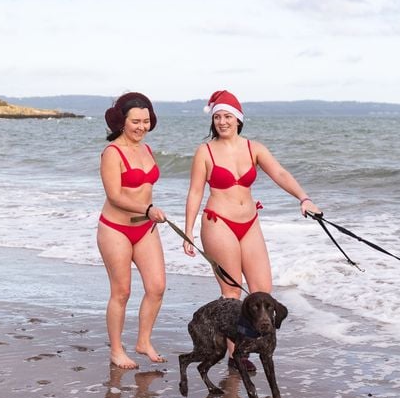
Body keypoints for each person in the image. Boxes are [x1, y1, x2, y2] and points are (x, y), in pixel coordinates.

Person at [183, 90, 320, 368]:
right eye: (218, 117)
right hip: (218, 221)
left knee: (262, 291)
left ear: (238, 119)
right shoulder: (205, 152)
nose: (222, 122)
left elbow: (280, 173)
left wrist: (304, 198)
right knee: (232, 293)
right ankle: (237, 354)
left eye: (228, 116)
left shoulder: (253, 148)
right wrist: (188, 231)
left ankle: (255, 346)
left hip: (249, 222)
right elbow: (195, 192)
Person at [97, 92, 168, 369]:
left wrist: (149, 213)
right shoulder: (112, 152)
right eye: (136, 121)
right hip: (116, 229)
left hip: (145, 228)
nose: (141, 127)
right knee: (121, 292)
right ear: (122, 123)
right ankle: (116, 350)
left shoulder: (146, 149)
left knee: (157, 287)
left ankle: (143, 341)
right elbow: (115, 195)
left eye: (146, 121)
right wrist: (148, 210)